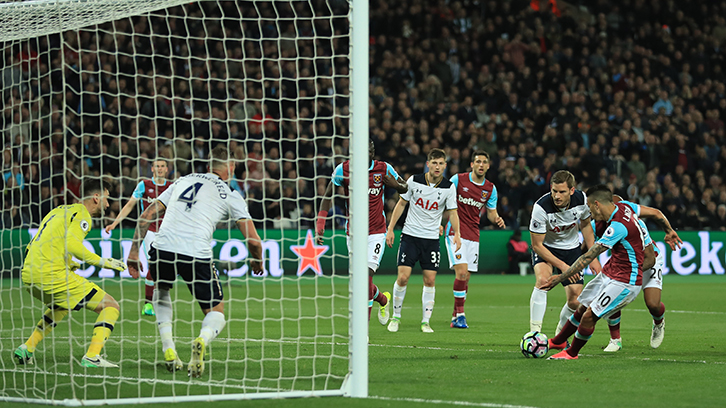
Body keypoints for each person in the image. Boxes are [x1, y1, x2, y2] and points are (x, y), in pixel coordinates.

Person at [127, 146, 263, 377]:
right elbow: (255, 241)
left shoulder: (182, 180)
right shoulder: (230, 193)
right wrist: (257, 260)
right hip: (196, 253)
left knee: (162, 290)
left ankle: (168, 347)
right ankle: (202, 339)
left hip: (162, 247)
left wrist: (133, 252)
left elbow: (147, 214)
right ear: (230, 168)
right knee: (215, 310)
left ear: (209, 166)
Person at [14, 179, 128, 368]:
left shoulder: (58, 210)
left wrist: (68, 263)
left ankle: (27, 348)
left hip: (28, 275)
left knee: (62, 305)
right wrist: (104, 262)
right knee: (110, 305)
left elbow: (42, 243)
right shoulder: (83, 215)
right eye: (107, 199)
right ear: (96, 197)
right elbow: (72, 245)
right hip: (50, 275)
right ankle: (92, 356)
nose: (108, 204)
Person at [545, 184, 656, 360]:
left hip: (624, 282)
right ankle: (558, 341)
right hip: (610, 273)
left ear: (596, 204)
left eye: (589, 207)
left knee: (589, 316)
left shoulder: (617, 226)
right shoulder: (623, 208)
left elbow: (588, 257)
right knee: (582, 309)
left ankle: (571, 353)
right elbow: (650, 254)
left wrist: (560, 277)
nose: (589, 212)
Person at [316, 140, 408, 326]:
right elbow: (327, 197)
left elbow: (406, 188)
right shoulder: (344, 169)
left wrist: (396, 186)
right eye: (365, 150)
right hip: (354, 233)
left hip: (376, 232)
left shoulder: (383, 168)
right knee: (361, 282)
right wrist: (320, 223)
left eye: (371, 150)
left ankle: (362, 330)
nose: (369, 153)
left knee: (365, 276)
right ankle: (382, 299)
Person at [385, 148, 460, 333]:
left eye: (441, 163)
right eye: (434, 163)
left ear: (445, 165)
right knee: (402, 278)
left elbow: (453, 212)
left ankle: (425, 321)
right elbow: (401, 203)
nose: (437, 166)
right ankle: (395, 317)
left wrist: (457, 233)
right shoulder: (414, 180)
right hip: (410, 236)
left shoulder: (448, 187)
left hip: (432, 239)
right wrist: (390, 228)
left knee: (430, 280)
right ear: (428, 164)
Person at [600, 195, 682, 352]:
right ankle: (615, 339)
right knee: (612, 294)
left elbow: (649, 259)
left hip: (649, 262)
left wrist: (626, 275)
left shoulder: (636, 225)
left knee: (653, 304)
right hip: (626, 265)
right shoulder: (605, 225)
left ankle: (659, 321)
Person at [528, 170, 601, 335]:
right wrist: (564, 267)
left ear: (571, 190)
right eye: (554, 191)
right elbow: (537, 245)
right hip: (547, 248)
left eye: (562, 192)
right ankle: (534, 334)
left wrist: (593, 255)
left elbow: (586, 225)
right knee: (543, 281)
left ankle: (560, 335)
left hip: (572, 249)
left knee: (576, 301)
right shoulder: (541, 208)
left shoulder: (582, 200)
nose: (557, 196)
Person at [444, 150, 505, 329]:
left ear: (488, 166)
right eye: (477, 161)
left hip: (473, 235)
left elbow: (492, 213)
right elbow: (443, 197)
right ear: (472, 164)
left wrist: (497, 219)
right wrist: (437, 221)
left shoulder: (490, 189)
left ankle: (455, 315)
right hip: (455, 233)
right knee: (461, 272)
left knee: (466, 277)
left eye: (484, 162)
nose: (480, 165)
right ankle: (461, 315)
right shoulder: (458, 180)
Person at [105, 158, 171, 316]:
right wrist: (114, 223)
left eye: (162, 166)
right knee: (154, 264)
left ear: (167, 169)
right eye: (157, 166)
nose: (160, 169)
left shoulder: (171, 187)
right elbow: (129, 205)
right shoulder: (144, 185)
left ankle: (156, 299)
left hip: (167, 232)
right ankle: (148, 304)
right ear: (152, 169)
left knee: (165, 268)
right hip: (148, 231)